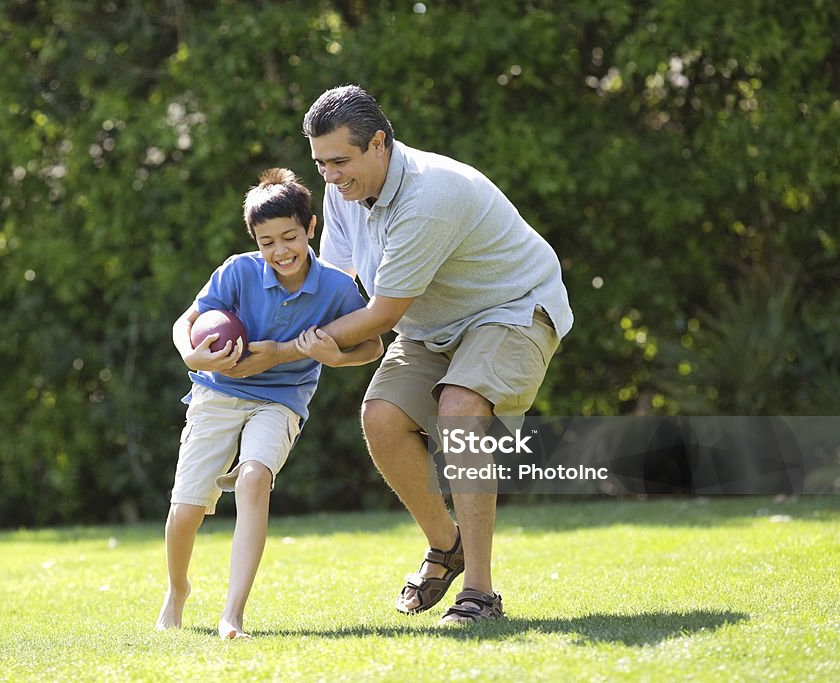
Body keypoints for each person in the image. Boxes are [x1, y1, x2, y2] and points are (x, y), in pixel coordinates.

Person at [223, 85, 572, 624]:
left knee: (459, 409)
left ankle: (480, 594)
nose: (331, 177)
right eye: (321, 164)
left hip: (511, 307)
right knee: (381, 419)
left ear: (379, 144)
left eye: (341, 161)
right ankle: (445, 544)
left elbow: (381, 314)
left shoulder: (430, 197)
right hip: (431, 323)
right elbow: (337, 292)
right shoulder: (343, 194)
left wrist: (281, 353)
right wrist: (256, 322)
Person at [156, 168, 383, 639]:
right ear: (254, 241)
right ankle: (178, 590)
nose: (280, 251)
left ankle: (232, 614)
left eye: (290, 237)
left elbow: (372, 347)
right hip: (217, 392)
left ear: (311, 228)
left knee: (255, 478)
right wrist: (189, 353)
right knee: (186, 511)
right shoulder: (238, 271)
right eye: (267, 242)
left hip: (280, 401)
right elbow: (188, 320)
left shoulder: (338, 288)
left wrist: (333, 357)